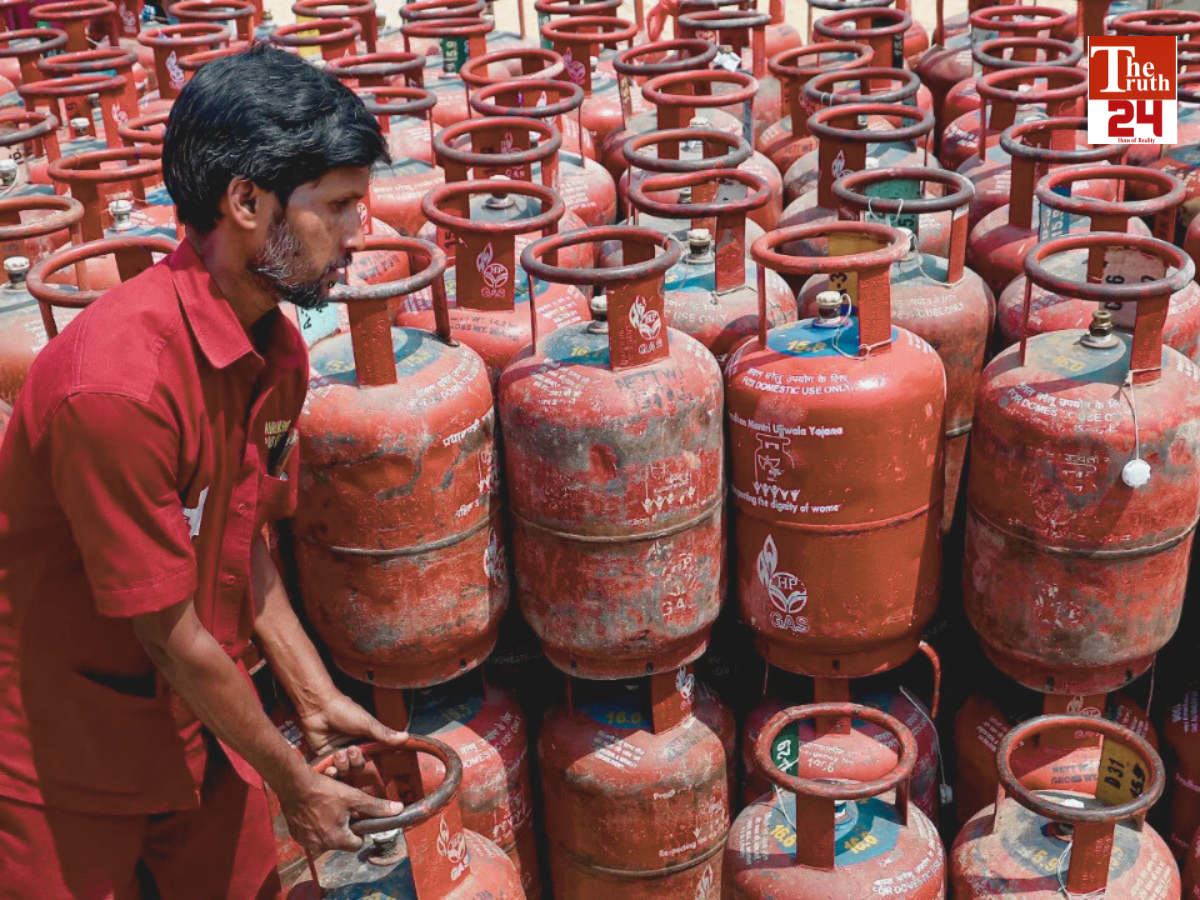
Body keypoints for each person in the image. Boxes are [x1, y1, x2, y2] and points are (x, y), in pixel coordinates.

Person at [0, 44, 406, 899]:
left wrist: (314, 698)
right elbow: (163, 626)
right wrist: (292, 781)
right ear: (247, 202)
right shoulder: (116, 389)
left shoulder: (276, 349)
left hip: (205, 722)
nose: (356, 232)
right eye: (336, 206)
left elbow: (240, 539)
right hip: (64, 748)